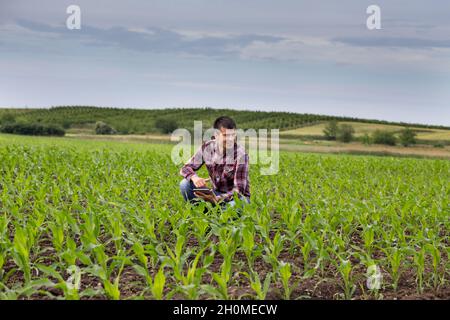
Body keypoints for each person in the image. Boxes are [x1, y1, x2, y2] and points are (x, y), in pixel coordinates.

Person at [179, 116, 250, 209]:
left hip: (236, 198)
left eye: (233, 135)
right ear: (216, 135)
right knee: (185, 184)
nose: (230, 139)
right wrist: (194, 177)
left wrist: (217, 198)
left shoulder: (241, 155)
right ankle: (204, 211)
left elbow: (239, 191)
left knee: (233, 207)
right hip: (215, 193)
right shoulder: (207, 148)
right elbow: (185, 168)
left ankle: (217, 212)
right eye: (226, 135)